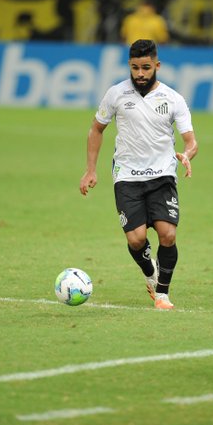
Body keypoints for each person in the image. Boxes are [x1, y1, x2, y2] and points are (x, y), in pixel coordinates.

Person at [80, 39, 198, 310]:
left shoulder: (173, 98)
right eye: (135, 68)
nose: (141, 74)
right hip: (127, 175)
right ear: (129, 67)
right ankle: (149, 274)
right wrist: (90, 170)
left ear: (157, 65)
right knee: (136, 239)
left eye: (146, 67)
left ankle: (163, 294)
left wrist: (186, 155)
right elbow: (96, 129)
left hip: (162, 175)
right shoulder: (116, 94)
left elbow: (191, 140)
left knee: (167, 235)